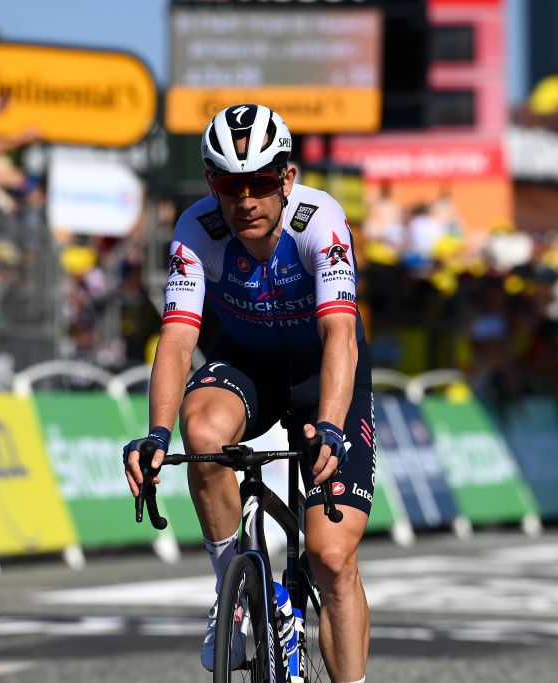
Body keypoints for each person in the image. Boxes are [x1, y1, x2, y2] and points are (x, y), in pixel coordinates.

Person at [123, 104, 373, 683]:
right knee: (202, 432)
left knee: (332, 558)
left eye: (261, 182)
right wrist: (158, 433)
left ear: (287, 177)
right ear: (212, 185)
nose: (246, 200)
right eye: (229, 186)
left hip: (323, 378)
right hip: (248, 370)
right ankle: (229, 594)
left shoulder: (320, 221)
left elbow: (339, 332)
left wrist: (331, 425)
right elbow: (178, 340)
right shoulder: (198, 229)